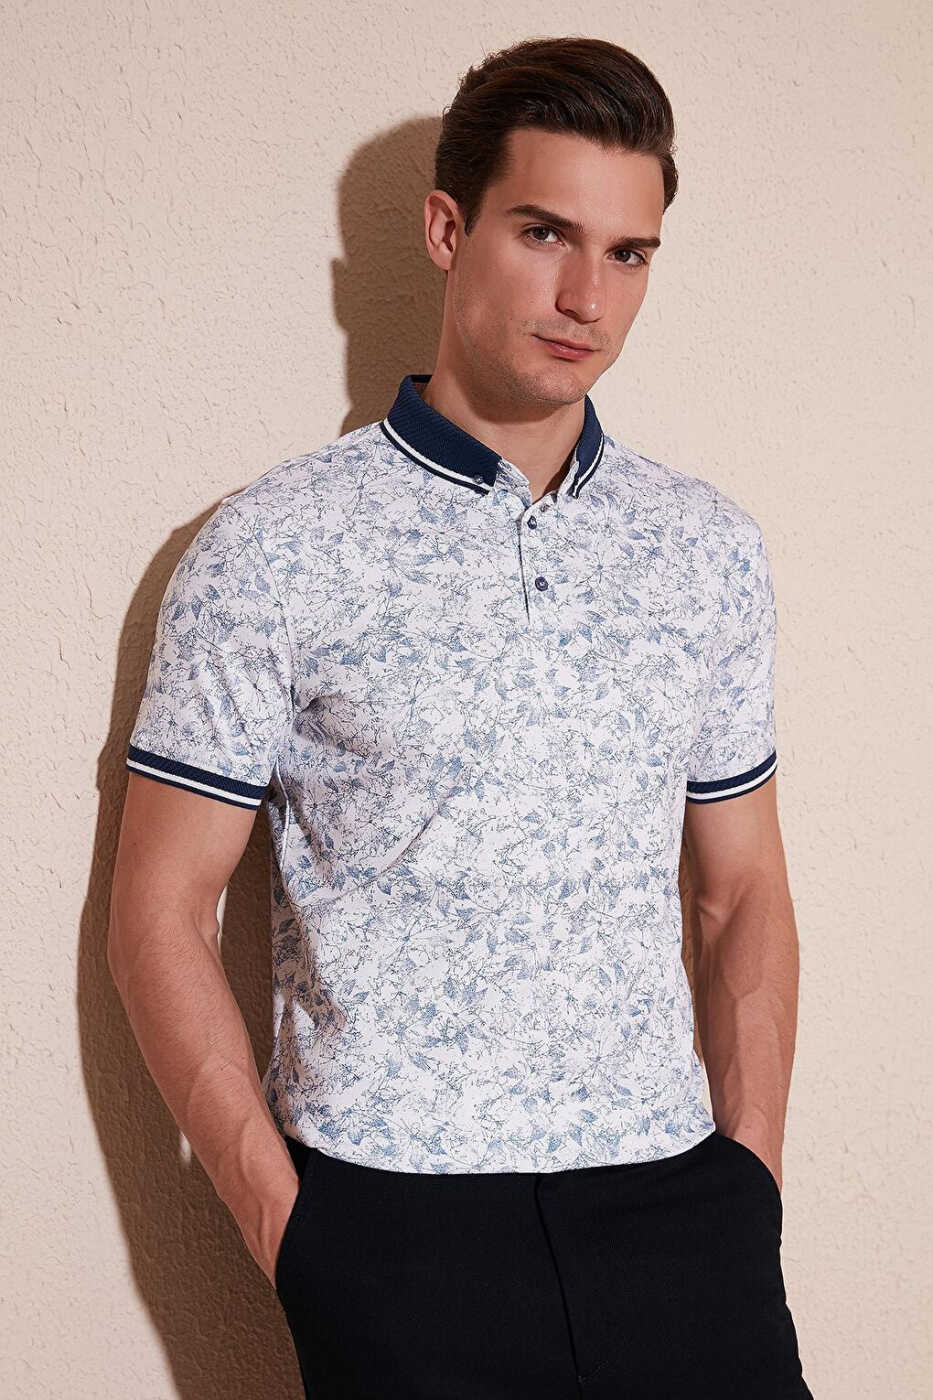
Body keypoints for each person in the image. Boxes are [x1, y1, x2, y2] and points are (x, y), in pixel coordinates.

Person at [109, 34, 812, 1399]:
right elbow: (158, 909)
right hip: (394, 1222)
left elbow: (741, 892)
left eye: (627, 253)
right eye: (544, 232)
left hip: (680, 1215)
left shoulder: (706, 550)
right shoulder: (273, 545)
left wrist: (751, 1179)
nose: (585, 296)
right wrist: (294, 1230)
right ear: (448, 230)